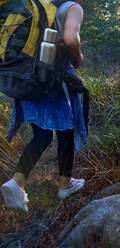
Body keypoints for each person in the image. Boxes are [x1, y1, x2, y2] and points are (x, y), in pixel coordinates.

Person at [1, 0, 86, 212]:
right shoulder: (72, 7)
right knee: (66, 129)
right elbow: (70, 39)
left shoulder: (42, 5)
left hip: (30, 75)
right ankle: (65, 185)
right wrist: (78, 57)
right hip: (55, 78)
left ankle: (17, 181)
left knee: (42, 135)